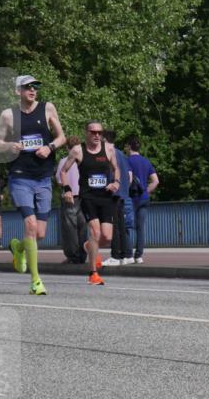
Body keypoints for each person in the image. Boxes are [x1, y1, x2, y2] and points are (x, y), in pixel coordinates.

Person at [0, 75, 66, 295]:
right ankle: (36, 281)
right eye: (27, 87)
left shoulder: (48, 109)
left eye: (35, 86)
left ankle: (18, 247)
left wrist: (50, 147)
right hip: (20, 177)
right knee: (31, 226)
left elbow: (62, 136)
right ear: (17, 91)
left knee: (41, 233)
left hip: (43, 177)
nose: (33, 90)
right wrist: (10, 145)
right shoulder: (8, 115)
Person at [60, 121, 122, 285]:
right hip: (88, 197)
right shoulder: (77, 150)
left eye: (100, 133)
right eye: (93, 132)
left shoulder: (108, 149)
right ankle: (93, 273)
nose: (97, 135)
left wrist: (116, 182)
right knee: (95, 233)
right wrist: (67, 189)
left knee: (107, 237)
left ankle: (89, 246)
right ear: (86, 133)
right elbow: (63, 171)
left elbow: (116, 168)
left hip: (106, 196)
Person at [101, 129, 133, 265]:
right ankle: (126, 254)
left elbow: (108, 172)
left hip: (112, 193)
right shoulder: (121, 154)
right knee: (120, 225)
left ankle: (115, 256)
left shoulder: (108, 153)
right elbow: (129, 176)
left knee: (113, 225)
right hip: (122, 193)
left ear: (104, 140)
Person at [125, 135, 159, 264]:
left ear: (129, 146)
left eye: (126, 146)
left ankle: (128, 254)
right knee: (140, 228)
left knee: (125, 226)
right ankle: (138, 256)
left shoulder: (127, 161)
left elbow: (128, 179)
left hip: (131, 198)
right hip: (144, 198)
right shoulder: (146, 161)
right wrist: (145, 191)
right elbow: (156, 181)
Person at [56, 135, 87, 264]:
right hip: (83, 196)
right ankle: (82, 255)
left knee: (69, 228)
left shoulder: (64, 161)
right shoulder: (83, 159)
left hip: (69, 197)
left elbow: (59, 180)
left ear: (67, 147)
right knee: (82, 226)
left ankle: (72, 256)